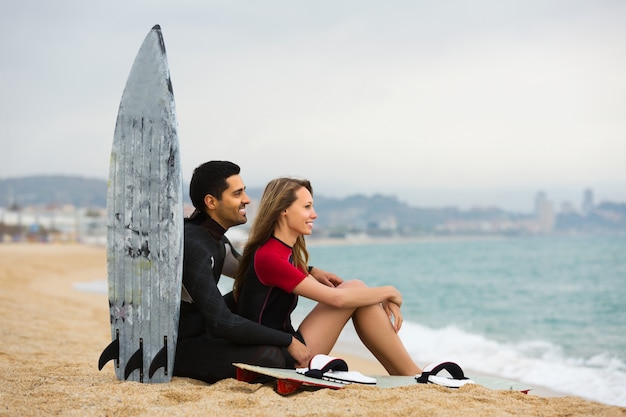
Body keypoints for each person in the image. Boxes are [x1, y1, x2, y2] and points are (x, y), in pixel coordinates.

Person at [233, 177, 422, 376]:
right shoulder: (270, 256)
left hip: (283, 345)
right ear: (283, 210)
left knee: (357, 290)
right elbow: (337, 299)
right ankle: (411, 373)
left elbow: (318, 284)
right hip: (273, 356)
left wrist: (312, 270)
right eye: (307, 207)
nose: (313, 215)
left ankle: (408, 373)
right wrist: (390, 292)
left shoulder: (283, 253)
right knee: (355, 289)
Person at [174, 161, 322, 382]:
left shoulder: (215, 240)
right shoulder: (194, 244)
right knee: (272, 357)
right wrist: (287, 340)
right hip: (183, 346)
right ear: (211, 202)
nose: (247, 199)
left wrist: (309, 271)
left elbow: (254, 270)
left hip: (205, 332)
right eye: (237, 193)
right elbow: (221, 322)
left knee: (247, 293)